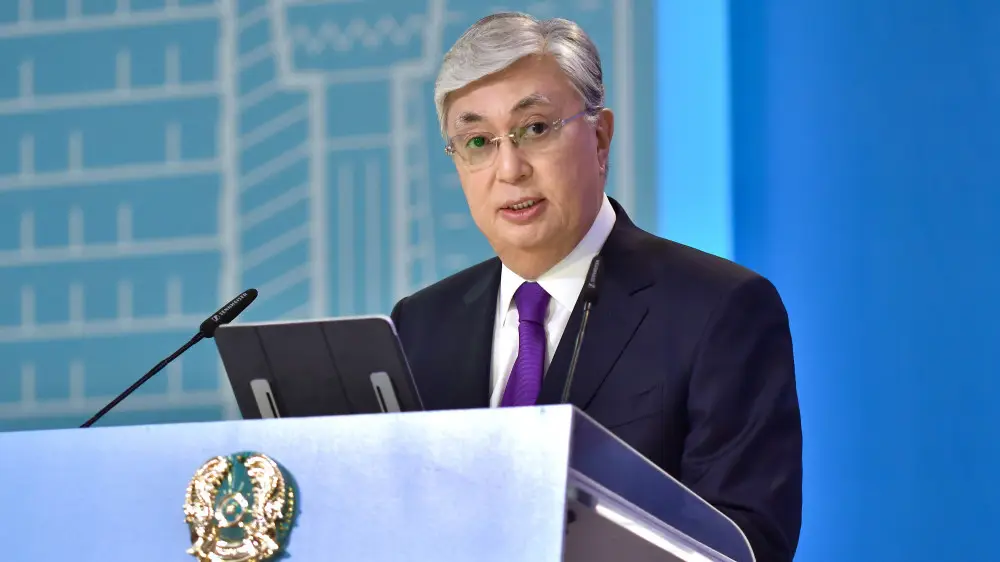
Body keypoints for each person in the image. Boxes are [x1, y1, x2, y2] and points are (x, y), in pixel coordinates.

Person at [390, 12, 802, 561]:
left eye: (535, 129)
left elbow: (747, 543)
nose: (509, 169)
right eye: (478, 141)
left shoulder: (718, 309)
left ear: (601, 137)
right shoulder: (419, 325)